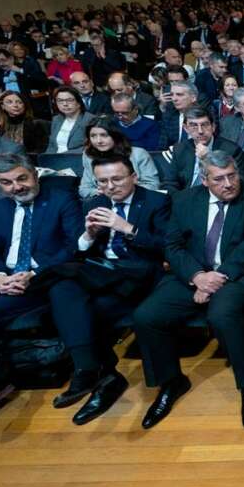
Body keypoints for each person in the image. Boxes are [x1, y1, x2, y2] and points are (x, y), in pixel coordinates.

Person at [132, 151, 244, 429]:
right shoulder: (185, 200)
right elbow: (172, 246)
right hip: (192, 274)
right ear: (205, 180)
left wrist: (216, 278)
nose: (229, 183)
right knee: (146, 316)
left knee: (222, 315)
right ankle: (171, 382)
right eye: (219, 179)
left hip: (236, 274)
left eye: (232, 175)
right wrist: (197, 277)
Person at [0, 154, 99, 428]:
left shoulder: (60, 199)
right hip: (6, 278)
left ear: (34, 174)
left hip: (43, 276)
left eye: (22, 178)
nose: (16, 187)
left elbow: (71, 246)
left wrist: (33, 273)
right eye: (6, 183)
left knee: (63, 289)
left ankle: (87, 368)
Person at [69, 154, 171, 423]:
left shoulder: (156, 201)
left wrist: (127, 227)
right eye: (103, 181)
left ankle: (164, 383)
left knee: (135, 314)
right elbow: (78, 249)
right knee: (81, 310)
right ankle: (106, 378)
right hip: (106, 274)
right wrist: (89, 235)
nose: (111, 186)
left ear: (133, 177)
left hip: (142, 275)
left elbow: (167, 244)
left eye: (117, 179)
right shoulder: (95, 203)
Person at [165, 107, 244, 192]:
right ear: (186, 128)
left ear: (213, 127)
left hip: (218, 196)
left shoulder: (231, 150)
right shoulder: (180, 149)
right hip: (187, 197)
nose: (200, 131)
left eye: (204, 125)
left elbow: (239, 182)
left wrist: (208, 158)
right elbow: (170, 183)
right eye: (194, 126)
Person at [79, 117, 160, 199]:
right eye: (93, 136)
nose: (98, 141)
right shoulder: (89, 156)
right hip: (104, 200)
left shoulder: (138, 154)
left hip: (136, 200)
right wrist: (99, 192)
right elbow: (84, 189)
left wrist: (125, 191)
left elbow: (153, 185)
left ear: (115, 135)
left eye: (104, 135)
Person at [46, 86, 95, 154]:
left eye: (69, 100)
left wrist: (63, 156)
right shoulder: (56, 119)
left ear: (79, 102)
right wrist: (47, 159)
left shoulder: (89, 119)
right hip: (55, 160)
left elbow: (90, 146)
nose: (65, 104)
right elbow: (51, 145)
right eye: (60, 100)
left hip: (76, 159)